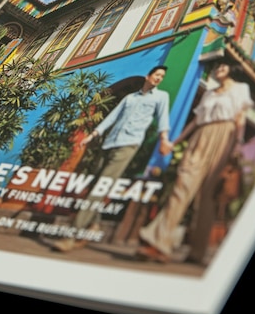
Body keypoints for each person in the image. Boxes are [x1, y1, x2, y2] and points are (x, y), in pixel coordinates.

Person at [136, 58, 253, 265]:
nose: (218, 69)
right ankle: (159, 242)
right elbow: (195, 122)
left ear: (231, 69)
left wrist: (237, 144)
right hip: (201, 136)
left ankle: (198, 251)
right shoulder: (209, 93)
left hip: (225, 136)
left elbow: (240, 118)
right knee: (182, 185)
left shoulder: (240, 89)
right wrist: (174, 143)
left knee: (208, 195)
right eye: (217, 66)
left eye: (223, 66)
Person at [50, 65, 172, 253]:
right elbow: (112, 118)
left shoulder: (161, 97)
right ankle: (93, 226)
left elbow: (163, 119)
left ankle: (71, 235)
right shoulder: (129, 98)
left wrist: (164, 139)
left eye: (162, 77)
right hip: (110, 143)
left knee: (101, 187)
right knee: (96, 185)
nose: (159, 78)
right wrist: (93, 135)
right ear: (148, 76)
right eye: (157, 75)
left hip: (129, 144)